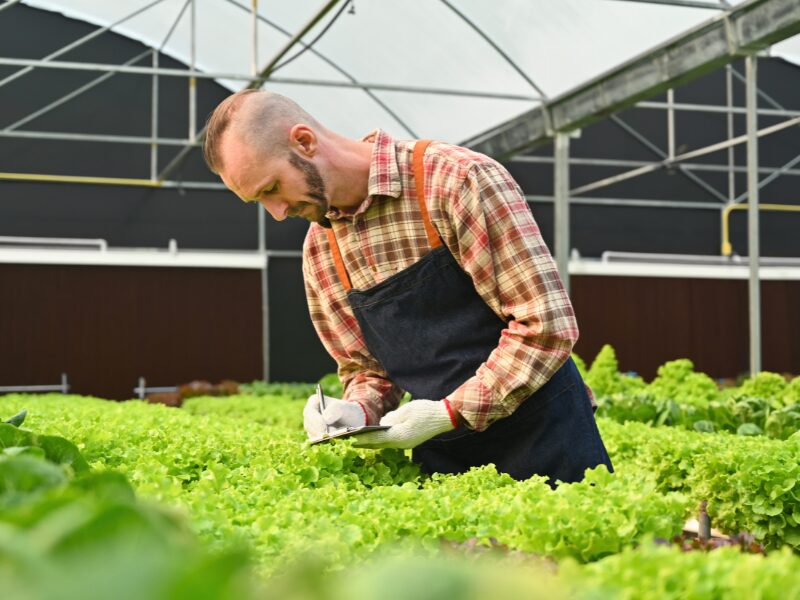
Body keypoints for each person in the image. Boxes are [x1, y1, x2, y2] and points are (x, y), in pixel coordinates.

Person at [203, 89, 613, 484]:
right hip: (444, 459)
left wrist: (451, 412)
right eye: (259, 201)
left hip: (547, 440)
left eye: (272, 188)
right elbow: (368, 370)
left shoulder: (455, 181)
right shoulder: (321, 250)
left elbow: (545, 326)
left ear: (305, 142)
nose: (277, 213)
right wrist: (356, 412)